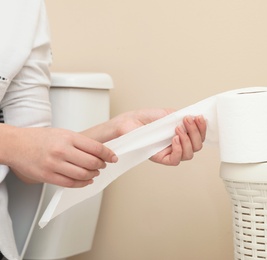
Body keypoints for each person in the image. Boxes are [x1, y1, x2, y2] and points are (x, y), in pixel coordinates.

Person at [0, 1, 206, 259]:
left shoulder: (24, 8)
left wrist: (116, 131)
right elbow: (20, 145)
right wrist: (12, 144)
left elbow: (28, 162)